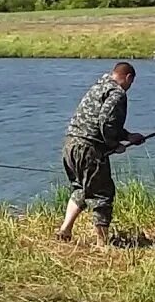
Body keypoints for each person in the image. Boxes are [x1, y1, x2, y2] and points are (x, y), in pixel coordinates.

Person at [56, 62, 145, 245]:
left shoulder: (99, 86)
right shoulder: (117, 93)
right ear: (128, 78)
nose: (129, 87)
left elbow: (99, 119)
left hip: (70, 144)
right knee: (103, 194)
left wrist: (128, 136)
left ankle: (65, 229)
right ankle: (102, 244)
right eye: (131, 83)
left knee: (81, 188)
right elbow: (106, 122)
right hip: (88, 149)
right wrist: (114, 144)